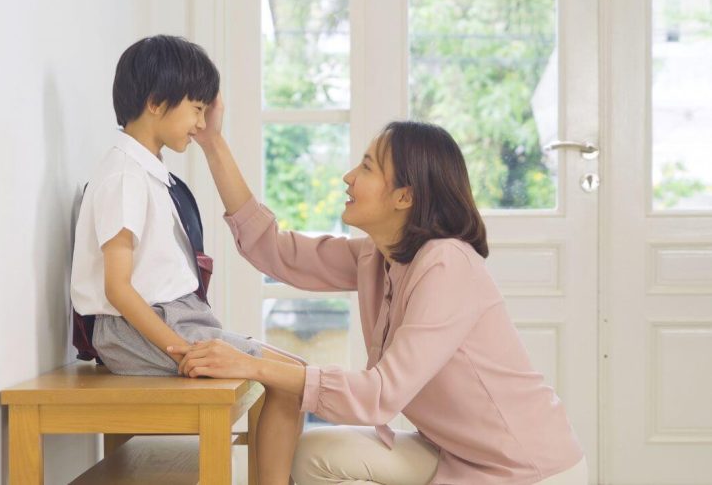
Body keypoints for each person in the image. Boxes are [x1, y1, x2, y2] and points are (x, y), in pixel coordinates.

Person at [171, 95, 588, 485]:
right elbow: (274, 251)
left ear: (404, 196)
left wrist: (254, 365)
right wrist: (212, 143)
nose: (348, 177)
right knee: (311, 454)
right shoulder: (376, 256)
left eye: (367, 168)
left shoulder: (447, 265)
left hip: (525, 470)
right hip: (454, 455)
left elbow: (379, 396)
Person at [69, 35, 305, 485]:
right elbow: (118, 288)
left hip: (169, 319)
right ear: (157, 103)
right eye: (196, 108)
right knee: (288, 377)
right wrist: (182, 350)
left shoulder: (146, 172)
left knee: (292, 373)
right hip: (140, 328)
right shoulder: (124, 176)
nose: (200, 123)